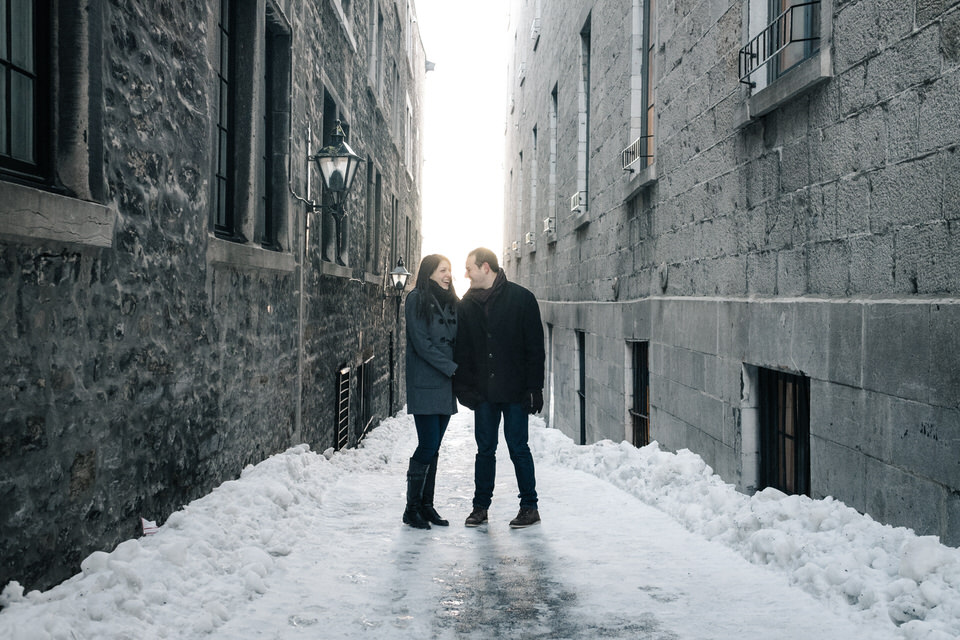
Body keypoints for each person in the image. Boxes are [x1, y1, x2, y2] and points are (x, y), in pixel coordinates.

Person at [454, 247, 545, 529]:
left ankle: (529, 507)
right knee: (485, 450)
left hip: (516, 391)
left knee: (518, 447)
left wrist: (534, 388)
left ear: (485, 267)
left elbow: (535, 348)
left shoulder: (522, 299)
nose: (465, 273)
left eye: (469, 267)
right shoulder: (466, 304)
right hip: (484, 394)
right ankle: (480, 507)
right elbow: (462, 350)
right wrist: (465, 389)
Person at [402, 254, 459, 530]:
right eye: (443, 270)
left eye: (450, 270)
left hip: (445, 387)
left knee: (434, 448)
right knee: (427, 444)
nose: (448, 275)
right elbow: (422, 344)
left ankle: (426, 506)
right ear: (429, 273)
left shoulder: (451, 302)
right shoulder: (416, 299)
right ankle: (411, 509)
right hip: (425, 384)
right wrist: (452, 367)